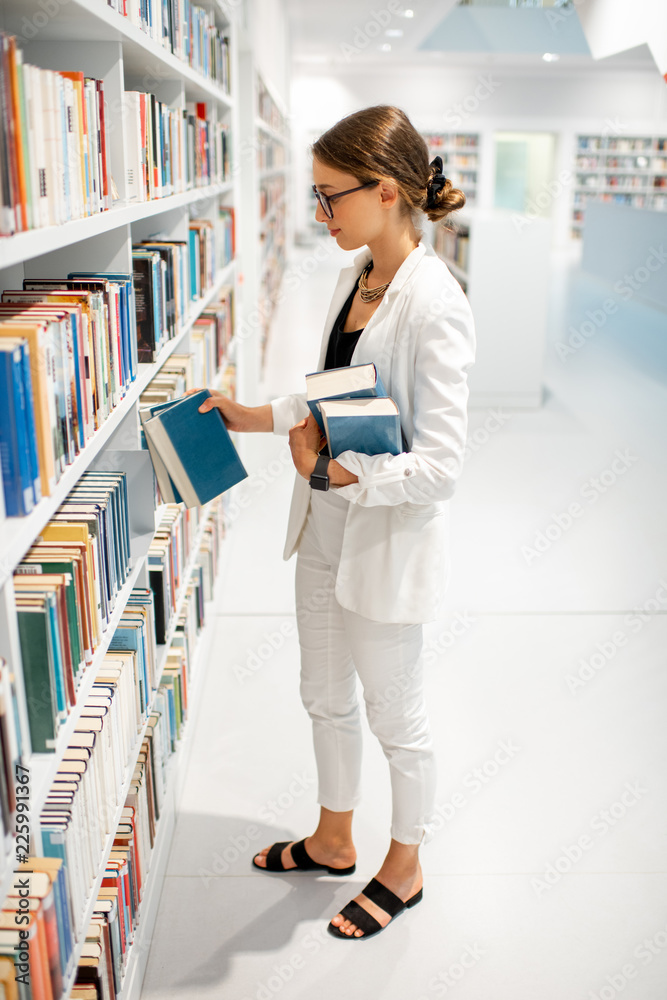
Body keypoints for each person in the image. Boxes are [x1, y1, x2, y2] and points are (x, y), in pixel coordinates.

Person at [195, 105, 476, 939]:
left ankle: (406, 862)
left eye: (329, 198)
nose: (321, 216)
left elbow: (440, 467)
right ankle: (332, 835)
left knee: (397, 715)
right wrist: (254, 416)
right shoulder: (355, 277)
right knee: (323, 694)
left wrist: (331, 470)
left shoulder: (436, 304)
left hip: (380, 539)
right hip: (321, 529)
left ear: (384, 191)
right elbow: (335, 392)